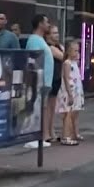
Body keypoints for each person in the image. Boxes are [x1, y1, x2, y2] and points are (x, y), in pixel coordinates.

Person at [24, 14, 55, 149]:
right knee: (35, 108)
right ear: (40, 24)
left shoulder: (40, 40)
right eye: (46, 22)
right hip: (38, 80)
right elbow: (32, 60)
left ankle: (39, 137)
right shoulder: (35, 40)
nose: (48, 25)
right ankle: (31, 137)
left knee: (41, 109)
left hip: (44, 81)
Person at [57, 40, 84, 145]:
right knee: (67, 113)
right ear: (68, 51)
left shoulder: (74, 63)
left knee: (73, 113)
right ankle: (66, 135)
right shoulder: (67, 63)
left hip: (76, 90)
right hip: (69, 91)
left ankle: (72, 133)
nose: (77, 53)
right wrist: (69, 93)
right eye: (75, 51)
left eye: (78, 50)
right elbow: (66, 79)